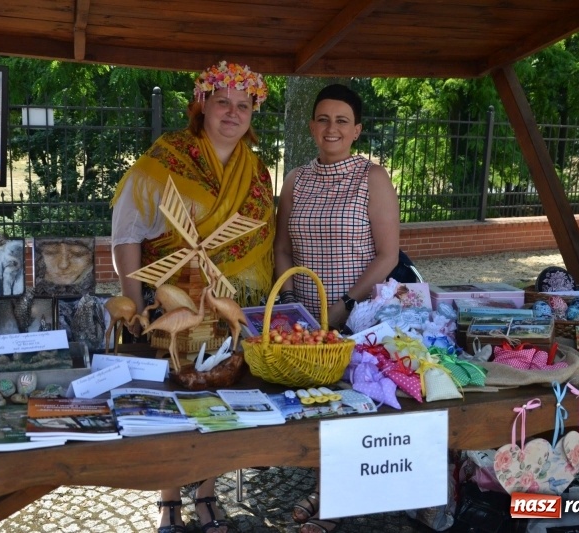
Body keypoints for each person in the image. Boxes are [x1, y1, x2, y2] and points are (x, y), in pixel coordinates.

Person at [110, 60, 274, 533]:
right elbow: (128, 232)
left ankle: (206, 495)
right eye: (222, 101)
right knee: (173, 402)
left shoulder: (258, 171)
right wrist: (134, 302)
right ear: (201, 105)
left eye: (243, 105)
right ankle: (168, 502)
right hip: (174, 302)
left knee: (220, 399)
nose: (232, 112)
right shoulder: (165, 159)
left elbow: (264, 237)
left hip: (229, 309)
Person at [273, 83, 400, 533]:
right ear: (311, 126)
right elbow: (282, 248)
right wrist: (290, 305)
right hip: (304, 324)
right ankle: (325, 488)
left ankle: (332, 501)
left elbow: (388, 255)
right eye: (323, 119)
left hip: (357, 315)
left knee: (348, 409)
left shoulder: (373, 178)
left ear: (357, 130)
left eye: (342, 120)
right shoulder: (295, 180)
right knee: (313, 407)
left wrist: (347, 303)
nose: (332, 128)